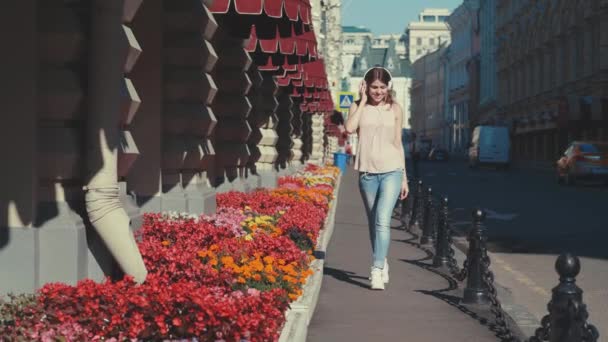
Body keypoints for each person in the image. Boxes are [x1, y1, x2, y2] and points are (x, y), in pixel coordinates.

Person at [344, 67, 409, 290]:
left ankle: (377, 268)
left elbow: (398, 143)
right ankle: (382, 260)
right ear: (366, 86)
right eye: (374, 87)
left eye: (382, 87)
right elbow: (349, 128)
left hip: (392, 170)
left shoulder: (396, 108)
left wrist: (404, 178)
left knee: (382, 219)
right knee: (374, 223)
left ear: (387, 87)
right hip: (367, 174)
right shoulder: (357, 106)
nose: (378, 92)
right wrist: (361, 101)